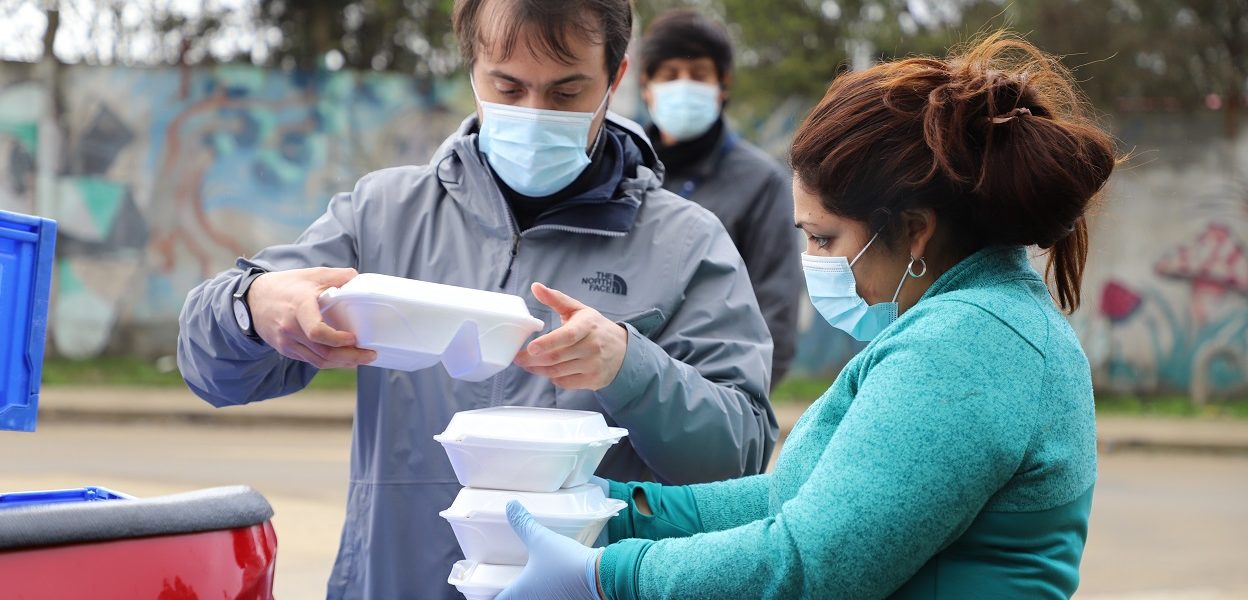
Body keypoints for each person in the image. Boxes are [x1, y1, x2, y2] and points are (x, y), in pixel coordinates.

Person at [176, 0, 779, 597]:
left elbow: (740, 463)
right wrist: (253, 307)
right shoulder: (383, 214)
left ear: (616, 78)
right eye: (508, 87)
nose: (535, 113)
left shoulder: (687, 244)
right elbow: (211, 371)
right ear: (471, 69)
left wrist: (632, 368)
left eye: (567, 93)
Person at [496, 32, 1116, 600]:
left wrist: (608, 577)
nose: (811, 260)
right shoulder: (980, 321)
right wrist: (622, 509)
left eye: (822, 239)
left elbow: (807, 563)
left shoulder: (964, 346)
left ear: (914, 232)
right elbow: (798, 500)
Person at [639, 10, 801, 386]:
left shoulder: (761, 183)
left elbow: (775, 311)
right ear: (646, 84)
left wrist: (738, 407)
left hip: (709, 398)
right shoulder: (621, 171)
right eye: (669, 74)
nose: (683, 86)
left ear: (722, 84)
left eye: (698, 74)